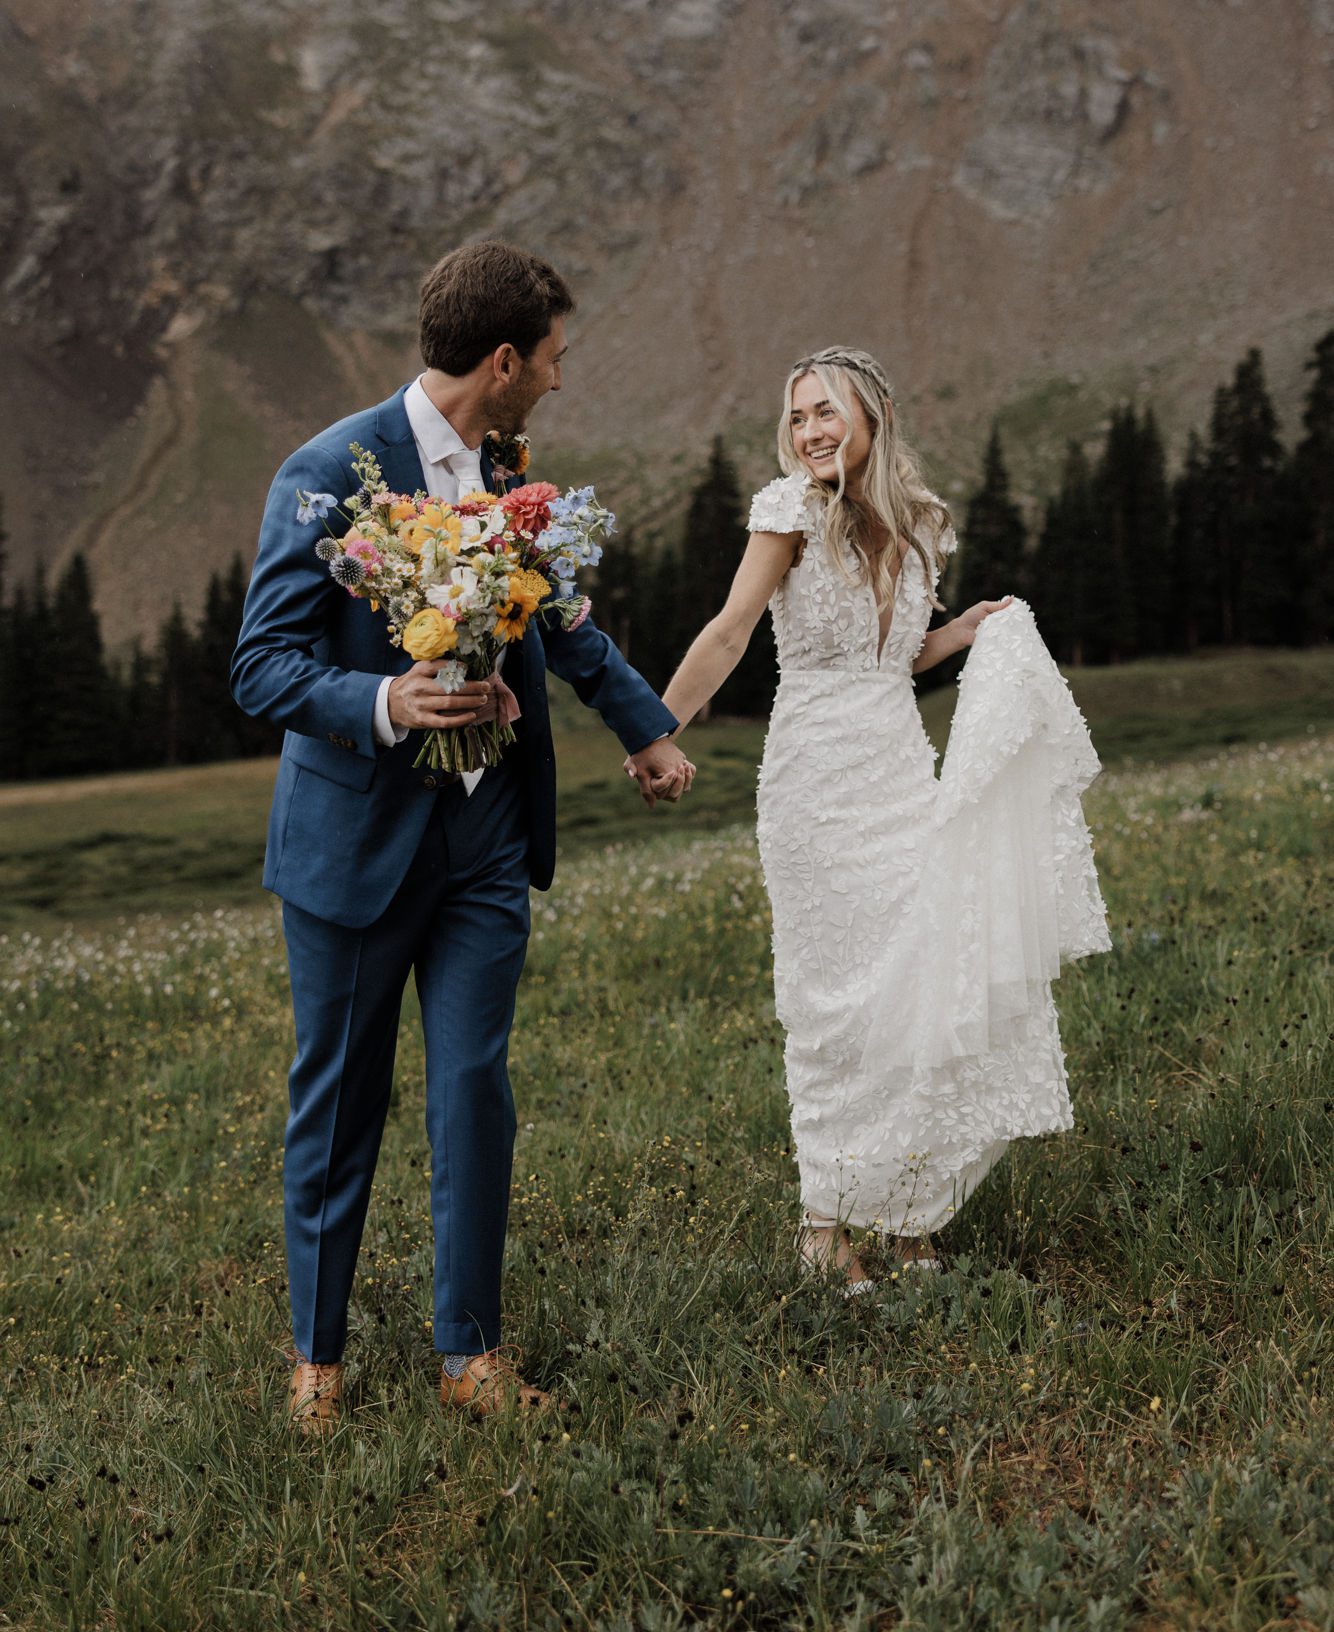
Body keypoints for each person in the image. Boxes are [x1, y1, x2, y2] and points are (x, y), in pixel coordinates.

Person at [232, 239, 695, 1425]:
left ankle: (468, 1354)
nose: (555, 378)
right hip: (354, 847)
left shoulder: (509, 469)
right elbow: (261, 666)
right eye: (548, 359)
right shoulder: (329, 468)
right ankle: (317, 1362)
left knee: (475, 1088)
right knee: (340, 1100)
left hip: (483, 839)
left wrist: (641, 725)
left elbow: (564, 615)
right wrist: (387, 701)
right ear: (499, 359)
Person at [651, 346, 1107, 1287]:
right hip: (815, 782)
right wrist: (654, 728)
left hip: (901, 773)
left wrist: (965, 632)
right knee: (831, 997)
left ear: (874, 417)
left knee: (917, 978)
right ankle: (826, 1223)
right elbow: (733, 630)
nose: (810, 431)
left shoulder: (921, 526)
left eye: (827, 412)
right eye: (799, 416)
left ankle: (908, 1209)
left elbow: (891, 658)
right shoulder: (787, 513)